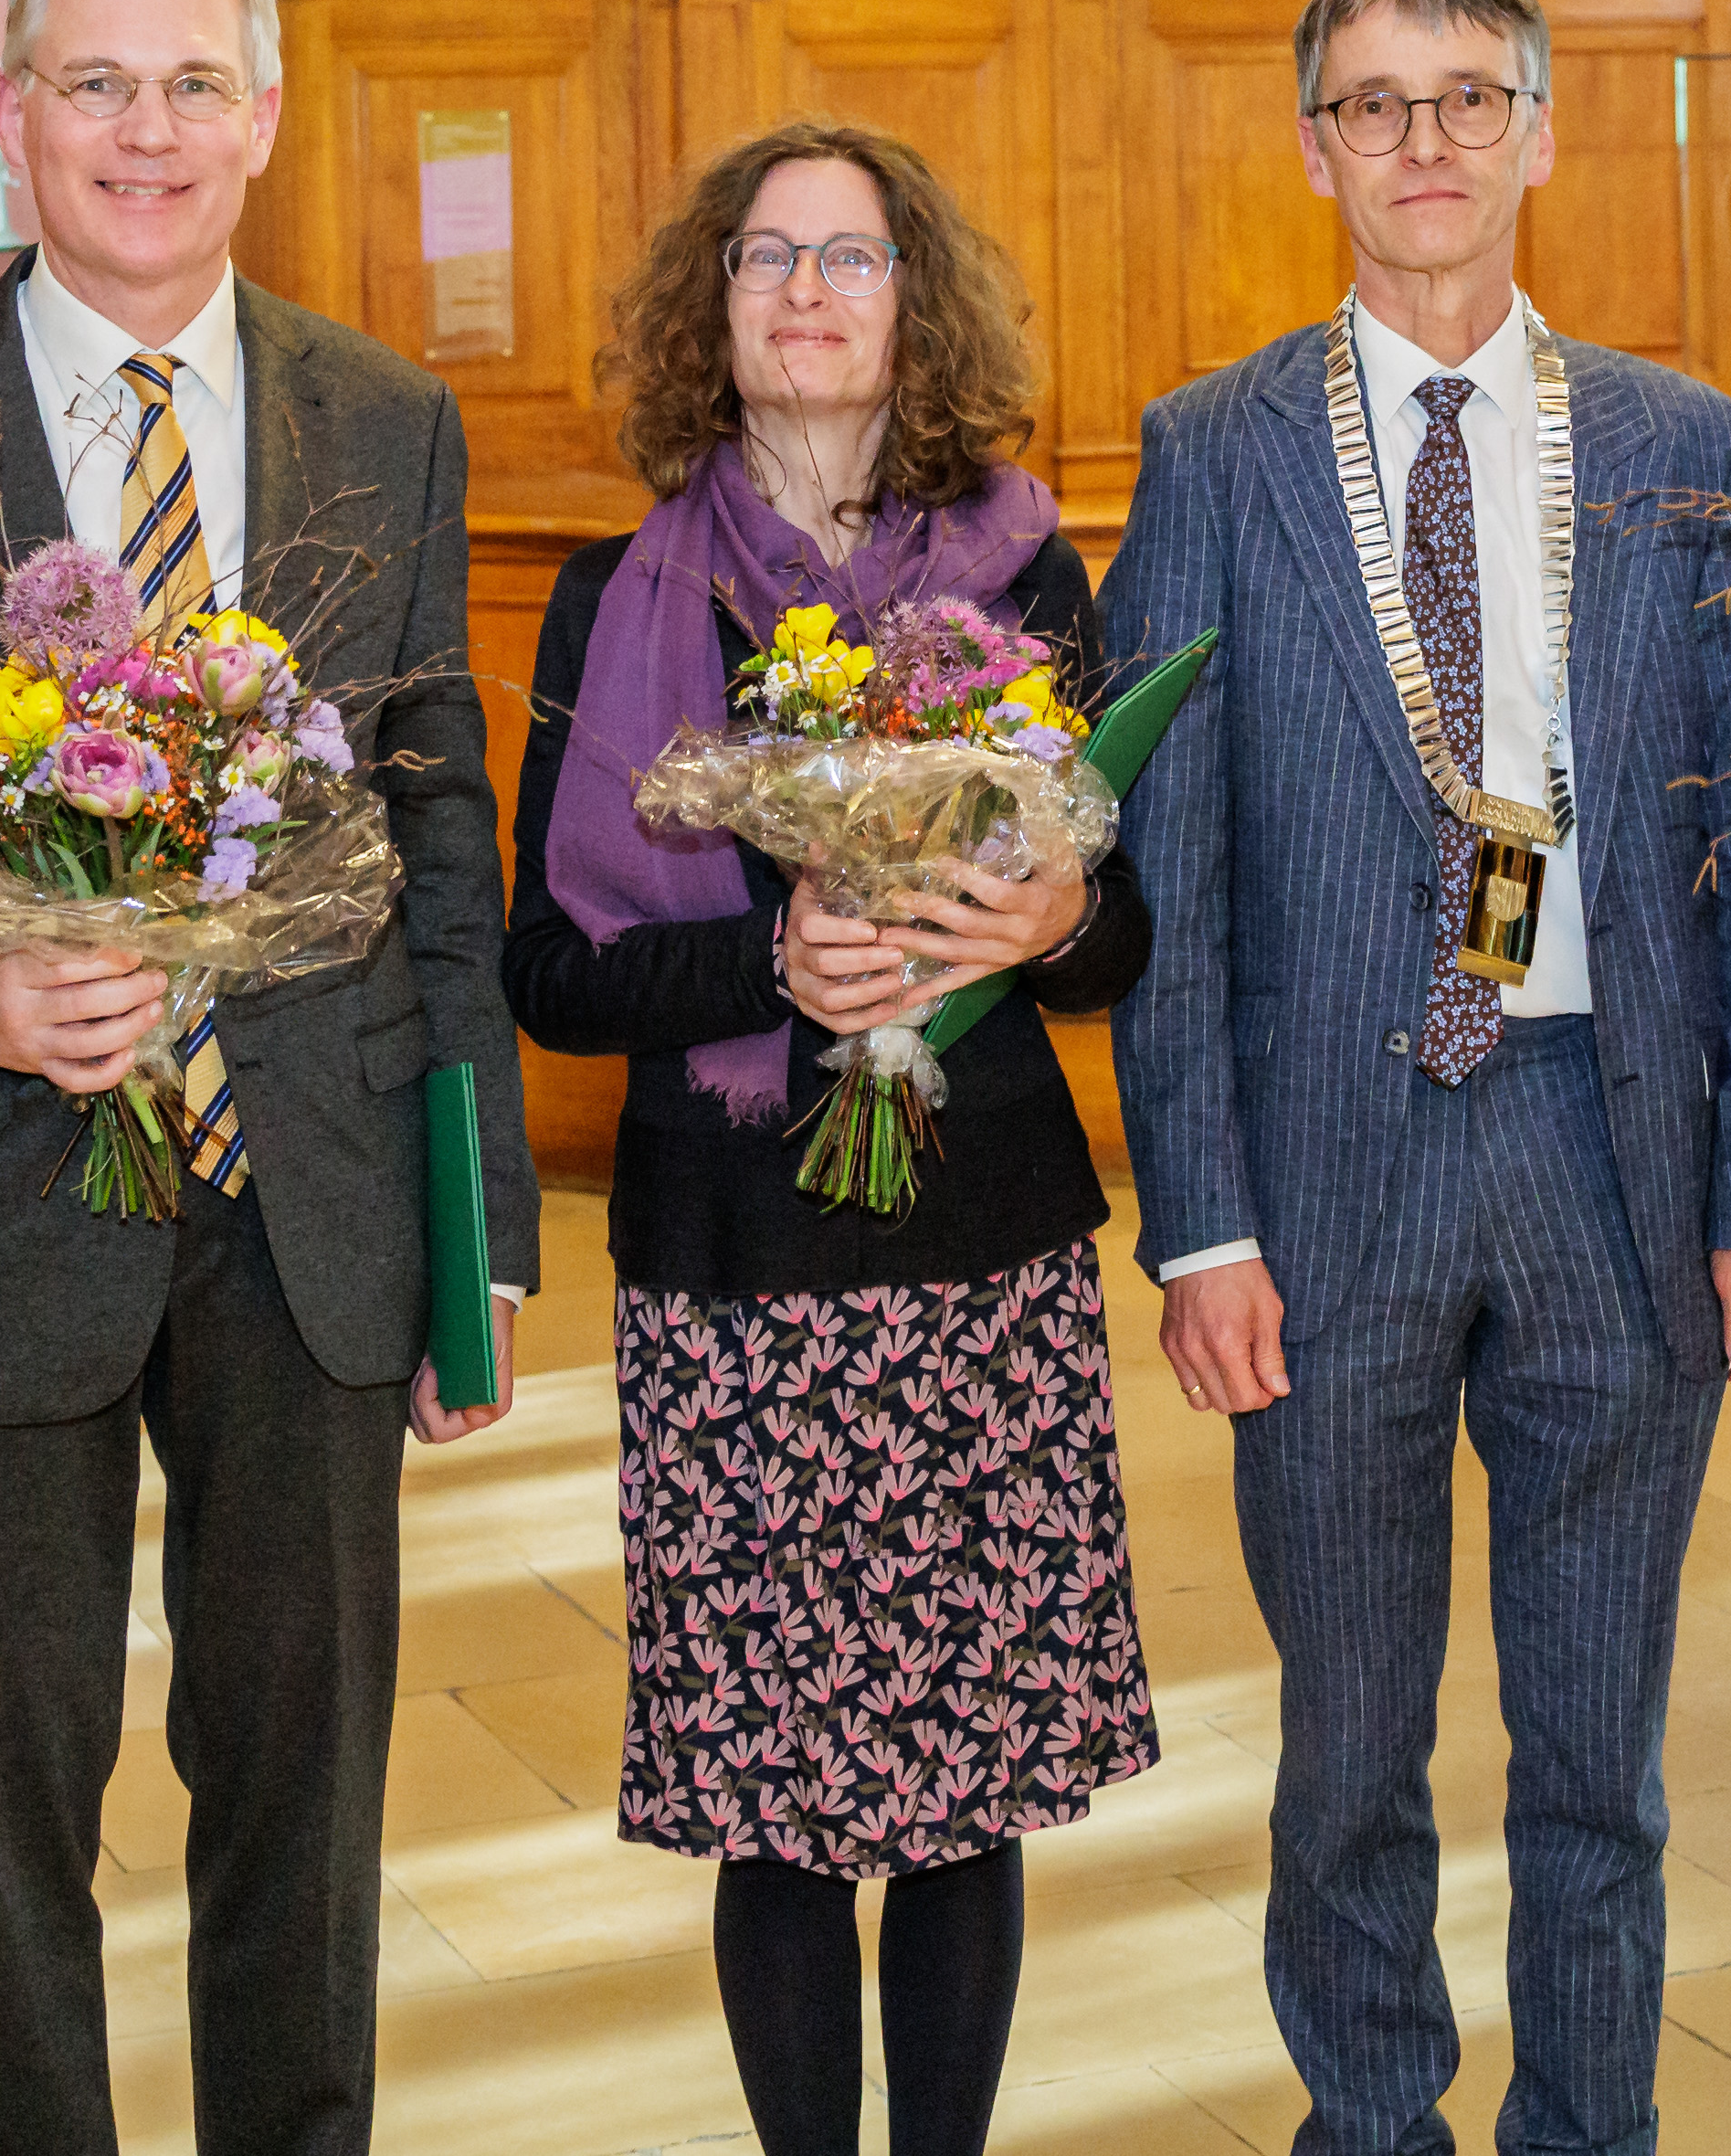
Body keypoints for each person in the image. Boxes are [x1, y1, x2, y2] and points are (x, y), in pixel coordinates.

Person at [0, 0, 537, 2156]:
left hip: (320, 1204)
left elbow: (442, 828)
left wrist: (484, 1238)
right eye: (95, 83)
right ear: (16, 114)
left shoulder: (389, 419)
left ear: (261, 116)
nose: (143, 131)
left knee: (305, 1791)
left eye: (189, 85)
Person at [1105, 0, 1731, 2156]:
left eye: (1465, 95)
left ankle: (1587, 2131)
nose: (1423, 142)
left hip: (1607, 1152)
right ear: (1314, 141)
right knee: (1348, 1747)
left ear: (1540, 125)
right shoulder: (1211, 448)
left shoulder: (1687, 448)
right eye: (1374, 102)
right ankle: (1373, 2124)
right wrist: (1198, 1217)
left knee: (1596, 1746)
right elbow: (1164, 874)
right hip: (1327, 1179)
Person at [505, 118, 1156, 2156]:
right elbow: (548, 967)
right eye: (767, 259)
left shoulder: (1025, 575)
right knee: (773, 1805)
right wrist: (767, 970)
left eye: (849, 258)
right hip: (731, 1265)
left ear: (912, 303)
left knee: (964, 1790)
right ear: (712, 309)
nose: (806, 292)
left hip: (978, 1247)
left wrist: (1044, 917)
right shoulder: (618, 595)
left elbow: (1113, 924)